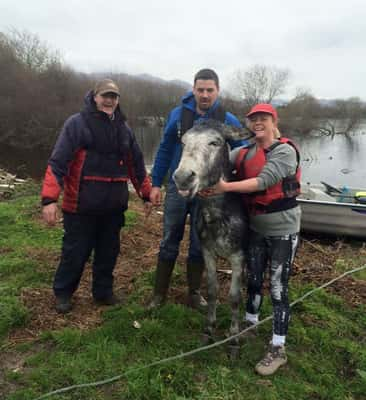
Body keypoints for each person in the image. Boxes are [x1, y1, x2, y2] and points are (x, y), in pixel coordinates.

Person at [41, 79, 152, 314]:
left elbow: (137, 165)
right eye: (105, 96)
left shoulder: (124, 129)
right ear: (94, 97)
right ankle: (63, 293)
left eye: (114, 97)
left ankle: (102, 293)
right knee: (75, 253)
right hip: (81, 206)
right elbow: (58, 162)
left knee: (108, 254)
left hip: (113, 208)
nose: (109, 100)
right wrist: (50, 200)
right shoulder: (76, 124)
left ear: (118, 100)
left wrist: (146, 194)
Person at [211, 103, 301, 375]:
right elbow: (222, 158)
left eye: (264, 118)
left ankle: (278, 348)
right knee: (253, 277)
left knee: (277, 286)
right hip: (255, 227)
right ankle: (250, 324)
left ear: (274, 121)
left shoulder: (285, 151)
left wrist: (225, 187)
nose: (258, 123)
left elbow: (263, 181)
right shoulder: (244, 151)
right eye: (253, 119)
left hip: (282, 228)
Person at [148, 68, 247, 310]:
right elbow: (163, 150)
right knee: (170, 237)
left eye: (209, 90)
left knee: (198, 242)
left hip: (210, 194)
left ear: (217, 91)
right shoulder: (178, 116)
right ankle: (159, 294)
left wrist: (235, 186)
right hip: (177, 188)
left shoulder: (227, 120)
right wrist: (155, 183)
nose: (204, 94)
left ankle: (193, 293)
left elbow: (242, 152)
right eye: (200, 89)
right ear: (193, 90)